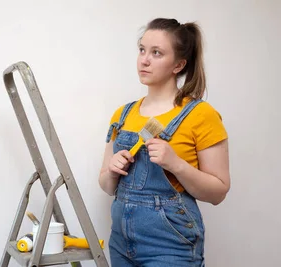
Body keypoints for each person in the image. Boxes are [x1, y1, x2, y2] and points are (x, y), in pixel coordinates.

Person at [98, 18, 231, 266]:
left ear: (178, 64)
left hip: (170, 246)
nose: (144, 60)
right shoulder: (122, 115)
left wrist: (175, 164)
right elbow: (106, 185)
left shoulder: (200, 114)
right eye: (142, 50)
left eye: (156, 53)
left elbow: (218, 192)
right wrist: (113, 171)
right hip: (120, 242)